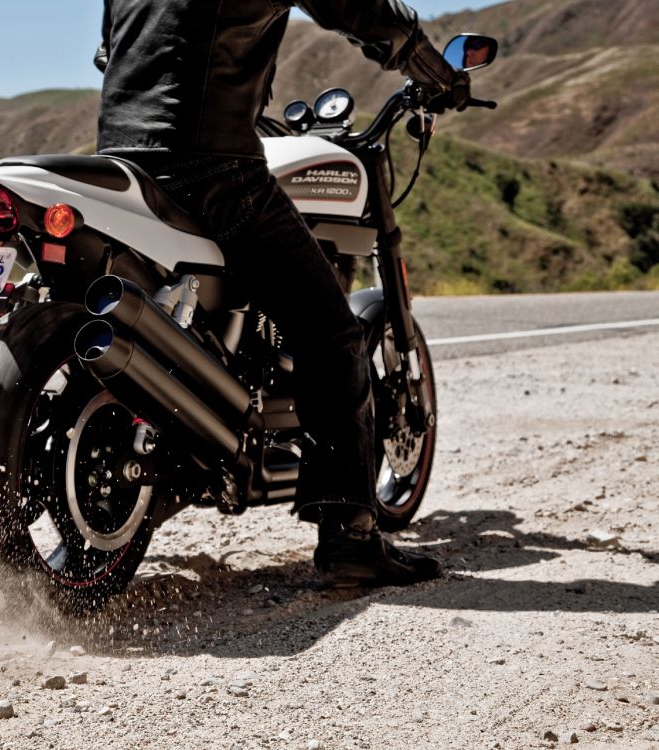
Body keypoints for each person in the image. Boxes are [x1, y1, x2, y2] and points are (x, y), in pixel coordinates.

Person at [94, 0, 470, 587]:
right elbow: (360, 8)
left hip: (124, 158)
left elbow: (109, 51)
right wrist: (435, 71)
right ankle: (351, 534)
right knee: (333, 333)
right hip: (213, 167)